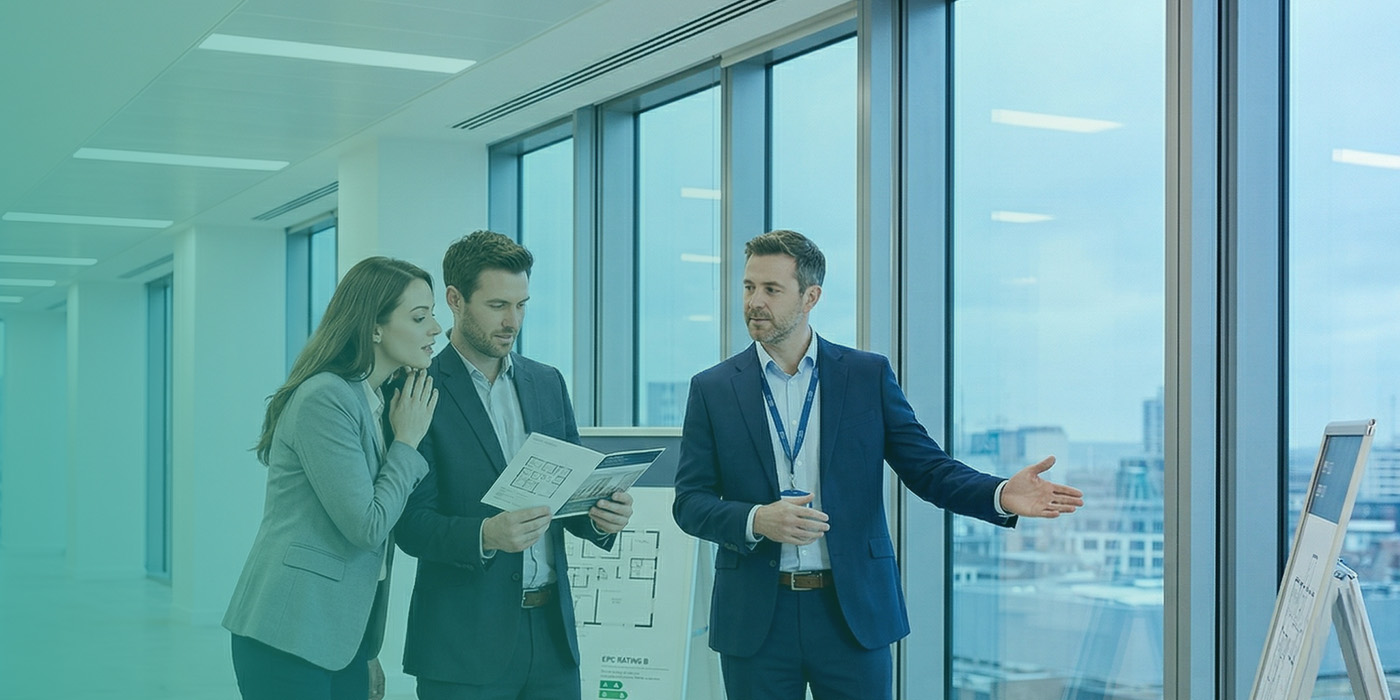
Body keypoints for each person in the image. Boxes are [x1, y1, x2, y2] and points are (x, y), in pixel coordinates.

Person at [672, 230, 1085, 700]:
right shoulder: (713, 388)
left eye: (771, 290)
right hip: (755, 619)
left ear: (811, 297)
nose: (754, 302)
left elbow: (929, 469)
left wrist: (998, 493)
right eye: (748, 288)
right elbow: (690, 503)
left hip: (852, 613)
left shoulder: (866, 376)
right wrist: (756, 519)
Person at [395, 231, 634, 700]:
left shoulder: (546, 382)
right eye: (498, 305)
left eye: (522, 305)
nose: (513, 321)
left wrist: (602, 518)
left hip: (551, 638)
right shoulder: (417, 391)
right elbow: (409, 525)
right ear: (455, 300)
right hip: (462, 646)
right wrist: (487, 536)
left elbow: (570, 496)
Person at [224, 256, 441, 700]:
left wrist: (363, 649)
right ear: (374, 328)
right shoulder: (326, 397)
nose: (436, 328)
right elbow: (367, 525)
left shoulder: (375, 400)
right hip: (289, 633)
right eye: (420, 317)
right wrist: (407, 442)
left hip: (337, 636)